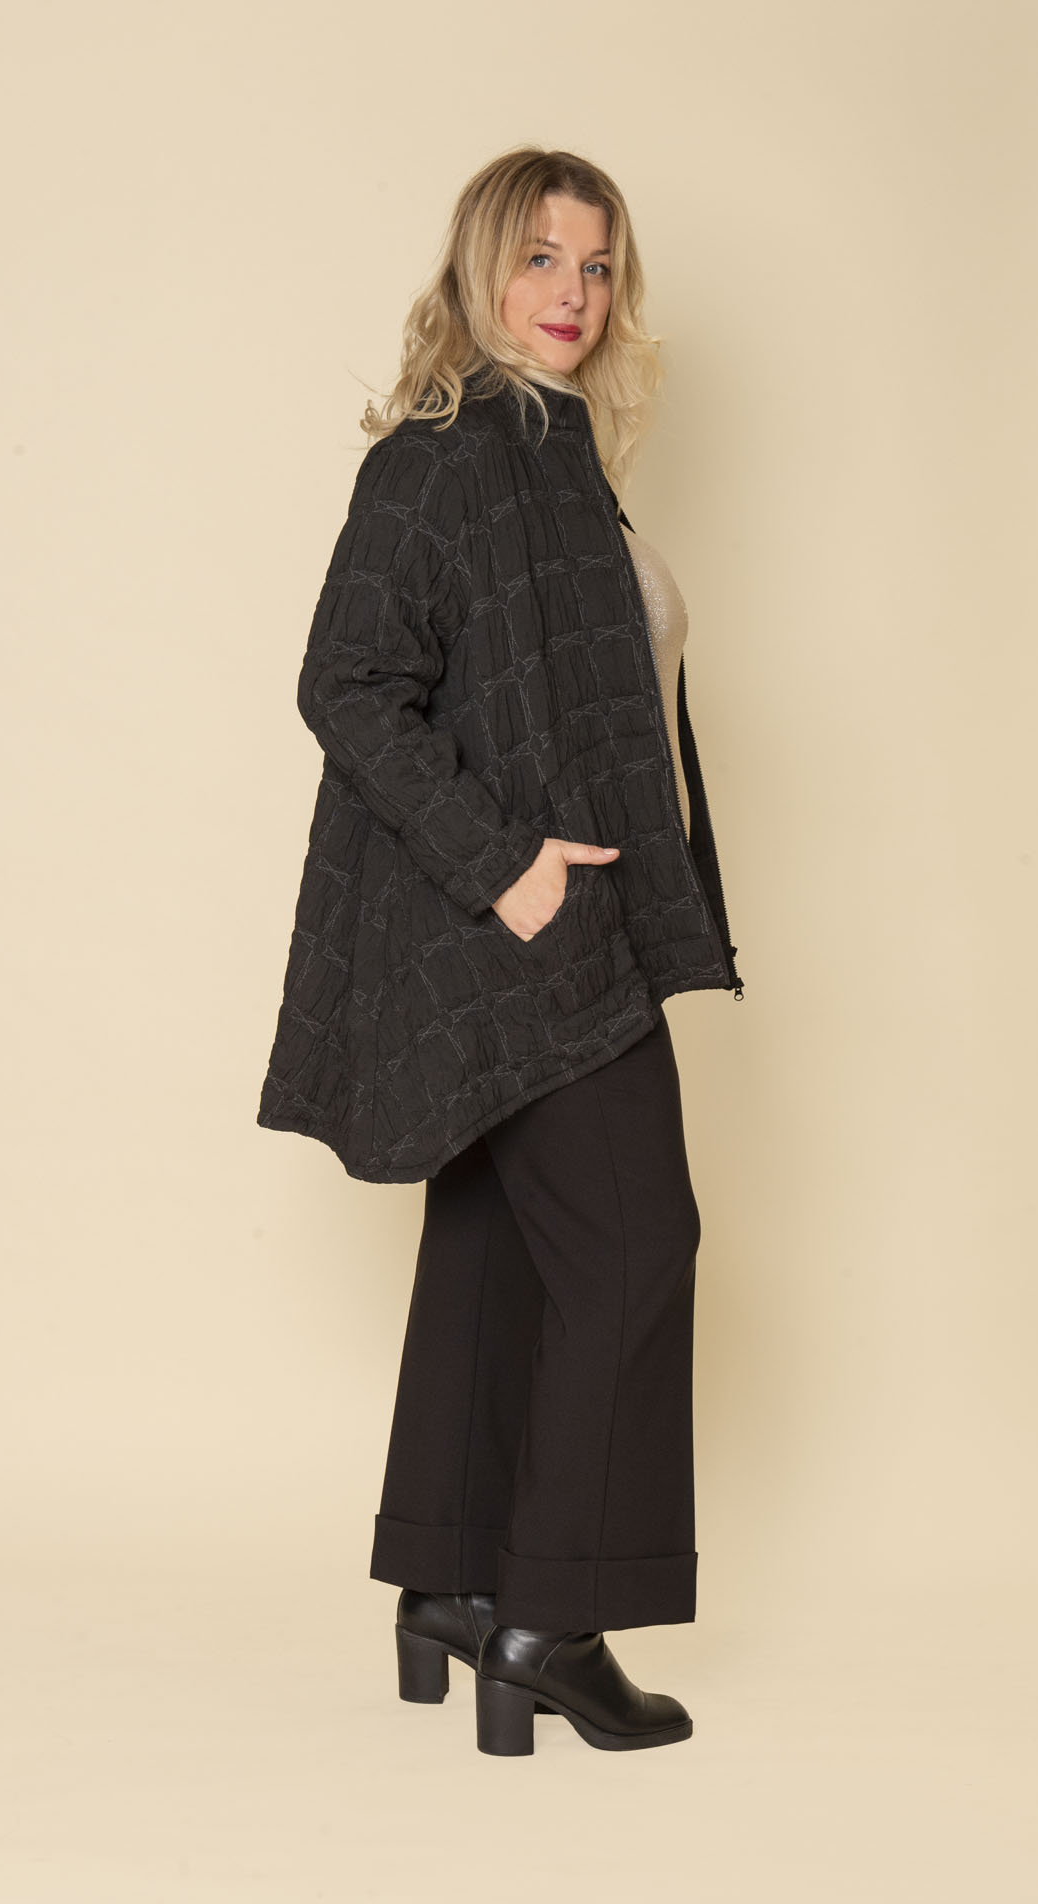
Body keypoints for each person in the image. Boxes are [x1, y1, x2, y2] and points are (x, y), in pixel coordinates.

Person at [256, 147, 745, 1756]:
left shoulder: (550, 450)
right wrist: (511, 870)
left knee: (500, 1246)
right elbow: (347, 682)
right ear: (481, 266)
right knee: (634, 1244)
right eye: (542, 258)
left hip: (546, 918)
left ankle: (454, 1586)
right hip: (522, 927)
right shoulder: (447, 456)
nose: (573, 293)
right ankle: (555, 1619)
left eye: (597, 267)